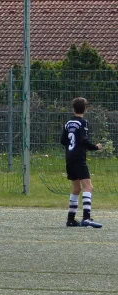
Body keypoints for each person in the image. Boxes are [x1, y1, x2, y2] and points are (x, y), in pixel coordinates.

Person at [60, 97, 103, 228]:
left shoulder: (68, 123)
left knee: (76, 188)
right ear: (86, 109)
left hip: (69, 158)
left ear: (73, 109)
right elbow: (84, 140)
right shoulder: (83, 122)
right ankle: (86, 217)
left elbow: (62, 141)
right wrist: (95, 147)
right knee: (88, 187)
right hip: (79, 158)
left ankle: (71, 219)